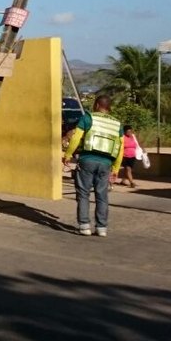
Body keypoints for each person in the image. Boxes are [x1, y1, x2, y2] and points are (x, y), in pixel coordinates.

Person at [62, 95, 122, 237]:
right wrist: (116, 168)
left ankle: (84, 226)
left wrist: (68, 155)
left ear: (96, 105)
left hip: (87, 159)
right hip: (106, 163)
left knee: (83, 193)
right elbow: (121, 147)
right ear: (109, 107)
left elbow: (76, 137)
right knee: (102, 195)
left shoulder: (88, 118)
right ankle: (101, 228)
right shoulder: (117, 124)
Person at [118, 125, 142, 190]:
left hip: (132, 156)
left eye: (130, 131)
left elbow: (137, 144)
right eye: (128, 131)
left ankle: (123, 181)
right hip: (125, 156)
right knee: (128, 169)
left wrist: (142, 149)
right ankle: (132, 182)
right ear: (124, 132)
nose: (129, 133)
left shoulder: (133, 136)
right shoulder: (122, 137)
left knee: (128, 169)